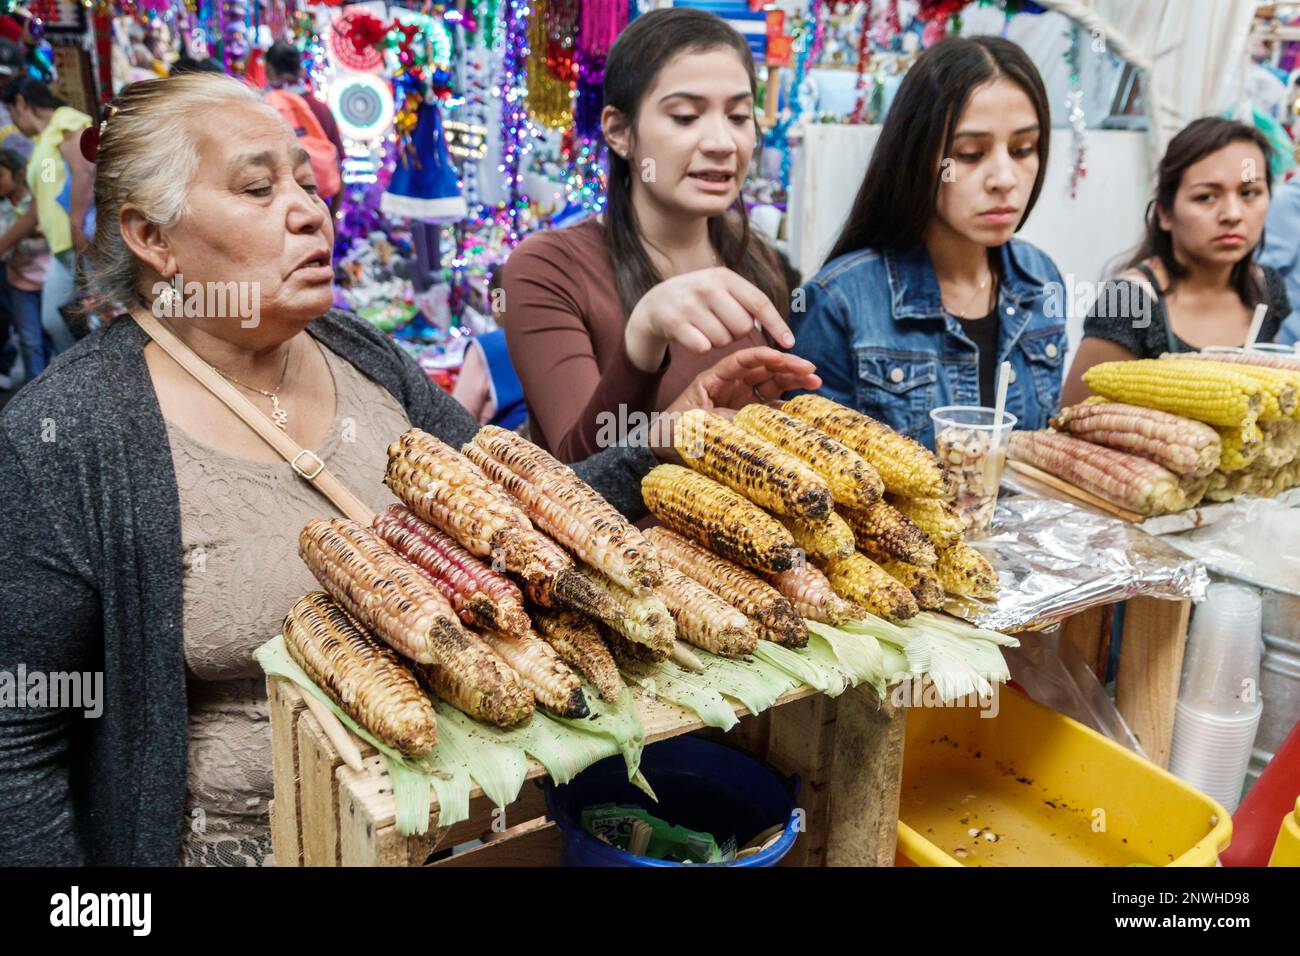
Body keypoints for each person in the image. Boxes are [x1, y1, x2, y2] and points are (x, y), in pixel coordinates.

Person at [0, 73, 816, 867]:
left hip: (458, 824)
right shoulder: (73, 433)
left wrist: (662, 439)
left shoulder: (364, 357)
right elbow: (18, 737)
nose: (308, 213)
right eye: (258, 190)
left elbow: (519, 516)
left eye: (305, 182)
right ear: (152, 238)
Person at [500, 8, 814, 463]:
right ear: (620, 132)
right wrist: (643, 338)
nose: (723, 142)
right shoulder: (546, 268)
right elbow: (575, 475)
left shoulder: (762, 262)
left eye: (739, 116)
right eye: (686, 117)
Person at [789, 36, 1065, 448]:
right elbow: (811, 480)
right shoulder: (838, 303)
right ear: (917, 157)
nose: (1005, 179)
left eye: (1024, 149)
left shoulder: (1041, 278)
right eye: (970, 154)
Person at [1063, 118, 1289, 405]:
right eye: (1206, 197)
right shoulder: (1129, 302)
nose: (1233, 214)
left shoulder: (1266, 287)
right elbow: (1072, 420)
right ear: (1165, 214)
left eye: (1249, 193)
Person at [0, 77, 94, 357]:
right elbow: (41, 204)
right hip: (62, 246)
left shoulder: (65, 120)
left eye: (13, 114)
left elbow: (85, 169)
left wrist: (76, 221)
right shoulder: (43, 143)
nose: (14, 124)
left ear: (20, 103)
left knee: (87, 316)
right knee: (58, 320)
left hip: (81, 240)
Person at [264, 40, 345, 195]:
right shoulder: (320, 108)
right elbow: (338, 163)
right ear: (301, 70)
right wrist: (331, 215)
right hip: (318, 199)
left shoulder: (263, 106)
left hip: (277, 202)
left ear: (269, 70)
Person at [0, 147, 48, 384]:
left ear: (19, 175)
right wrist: (29, 233)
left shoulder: (37, 201)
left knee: (51, 332)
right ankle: (35, 389)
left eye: (0, 175)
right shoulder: (3, 207)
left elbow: (50, 237)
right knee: (29, 340)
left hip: (47, 278)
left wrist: (20, 236)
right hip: (19, 282)